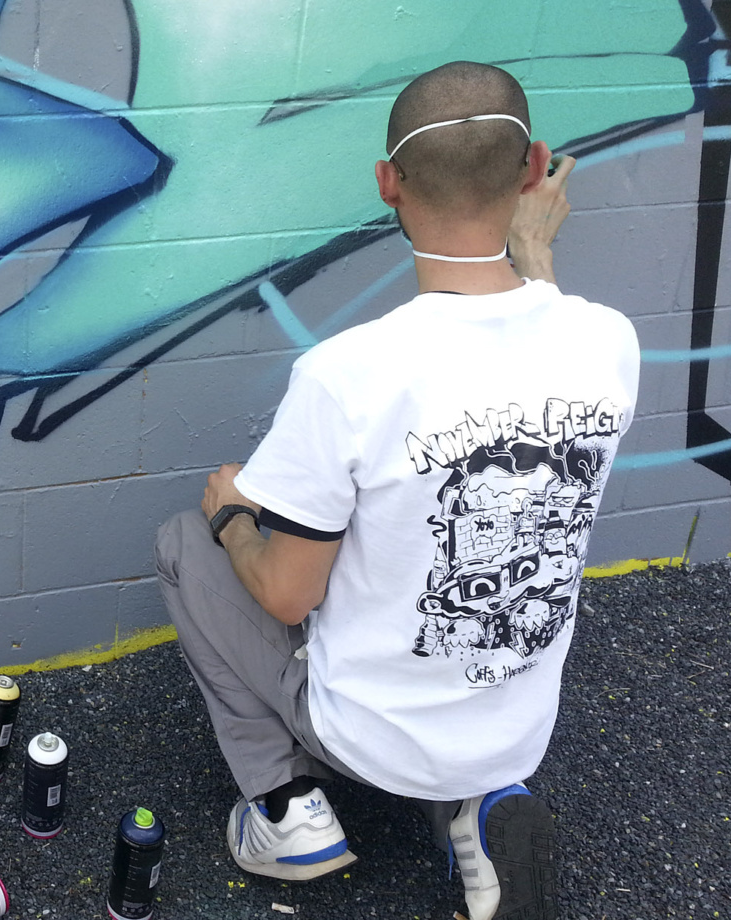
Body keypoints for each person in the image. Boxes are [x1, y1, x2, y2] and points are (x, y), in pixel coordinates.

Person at [154, 61, 639, 920]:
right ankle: (477, 806)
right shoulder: (607, 342)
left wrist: (231, 517)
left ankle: (287, 814)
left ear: (387, 183)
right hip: (514, 734)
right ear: (534, 169)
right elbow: (537, 355)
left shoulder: (348, 375)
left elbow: (288, 595)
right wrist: (534, 254)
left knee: (186, 543)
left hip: (371, 737)